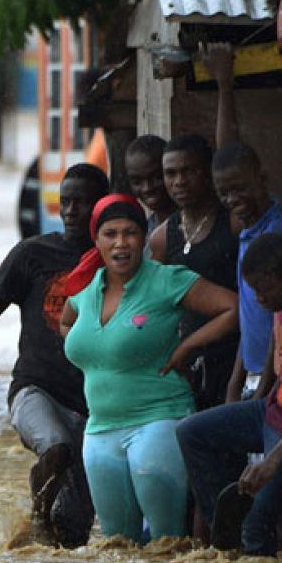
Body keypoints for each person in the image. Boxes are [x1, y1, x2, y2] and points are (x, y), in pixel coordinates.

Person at [57, 194, 238, 544]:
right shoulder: (85, 288)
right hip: (100, 429)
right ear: (97, 240)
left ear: (144, 238)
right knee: (116, 546)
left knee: (165, 542)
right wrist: (97, 353)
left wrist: (188, 345)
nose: (121, 243)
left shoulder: (166, 280)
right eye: (110, 234)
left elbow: (231, 308)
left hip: (159, 418)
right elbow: (66, 323)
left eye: (130, 233)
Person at [0, 164, 110, 547]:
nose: (72, 210)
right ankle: (36, 515)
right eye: (65, 202)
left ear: (101, 207)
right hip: (35, 390)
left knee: (71, 537)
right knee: (55, 447)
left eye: (82, 202)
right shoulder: (32, 254)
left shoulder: (115, 258)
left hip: (95, 405)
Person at [178, 232, 282, 556]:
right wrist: (261, 391)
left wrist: (270, 463)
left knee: (255, 525)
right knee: (191, 432)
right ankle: (225, 534)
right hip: (271, 409)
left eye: (264, 291)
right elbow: (276, 333)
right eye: (254, 290)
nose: (259, 299)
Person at [148, 134, 240, 412]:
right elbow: (157, 308)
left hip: (235, 355)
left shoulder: (234, 222)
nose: (179, 182)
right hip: (187, 365)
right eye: (170, 173)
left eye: (189, 171)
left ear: (207, 172)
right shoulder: (162, 237)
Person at [214, 141, 282, 403]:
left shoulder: (275, 235)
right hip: (254, 378)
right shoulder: (247, 232)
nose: (232, 199)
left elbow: (281, 319)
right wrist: (234, 384)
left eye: (240, 189)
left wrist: (263, 390)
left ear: (261, 179)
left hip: (276, 380)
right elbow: (250, 315)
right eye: (224, 193)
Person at [124, 134, 176, 236]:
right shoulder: (145, 233)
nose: (147, 188)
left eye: (157, 177)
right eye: (137, 182)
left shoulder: (190, 228)